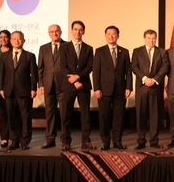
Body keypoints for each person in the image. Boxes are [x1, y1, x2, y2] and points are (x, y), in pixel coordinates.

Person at [93, 26, 132, 150]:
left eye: (114, 34)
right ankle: (105, 142)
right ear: (105, 36)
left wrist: (128, 87)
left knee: (119, 117)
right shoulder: (100, 51)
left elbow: (128, 71)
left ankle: (117, 141)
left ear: (118, 36)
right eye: (108, 34)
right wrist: (97, 88)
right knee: (104, 117)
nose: (111, 36)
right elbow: (96, 71)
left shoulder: (124, 51)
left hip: (120, 89)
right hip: (104, 90)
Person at [0, 31, 37, 151]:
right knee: (12, 116)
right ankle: (14, 140)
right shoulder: (4, 56)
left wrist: (33, 88)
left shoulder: (29, 56)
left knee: (25, 117)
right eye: (14, 39)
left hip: (24, 91)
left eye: (19, 38)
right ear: (10, 41)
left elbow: (33, 74)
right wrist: (1, 88)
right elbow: (1, 73)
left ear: (24, 40)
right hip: (9, 91)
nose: (17, 41)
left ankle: (25, 140)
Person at [58, 21, 94, 151]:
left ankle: (86, 140)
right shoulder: (64, 47)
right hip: (68, 86)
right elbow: (63, 66)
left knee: (85, 114)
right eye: (75, 29)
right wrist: (74, 81)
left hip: (83, 85)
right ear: (71, 31)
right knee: (66, 114)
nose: (78, 32)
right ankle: (66, 141)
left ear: (83, 31)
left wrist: (78, 77)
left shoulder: (88, 48)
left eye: (80, 30)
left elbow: (90, 66)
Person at [133, 29, 169, 149]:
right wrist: (144, 78)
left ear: (156, 39)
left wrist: (154, 80)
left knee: (155, 116)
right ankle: (141, 141)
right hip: (142, 88)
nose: (151, 40)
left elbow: (165, 67)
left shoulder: (162, 52)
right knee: (141, 115)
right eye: (148, 38)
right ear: (144, 38)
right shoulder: (137, 51)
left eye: (153, 38)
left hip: (155, 88)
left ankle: (154, 141)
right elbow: (134, 66)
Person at [37, 24, 66, 149]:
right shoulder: (43, 48)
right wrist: (41, 84)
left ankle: (65, 140)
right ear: (49, 33)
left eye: (56, 31)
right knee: (50, 114)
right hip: (48, 85)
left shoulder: (67, 46)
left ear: (61, 32)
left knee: (65, 114)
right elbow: (40, 68)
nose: (54, 33)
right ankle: (50, 139)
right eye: (52, 32)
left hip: (63, 85)